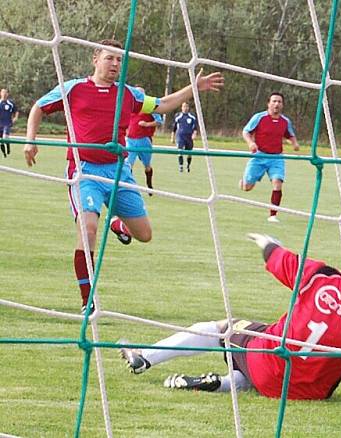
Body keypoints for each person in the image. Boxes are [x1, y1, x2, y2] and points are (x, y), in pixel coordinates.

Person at [119, 233, 341, 412]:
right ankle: (223, 383)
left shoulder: (321, 277)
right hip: (305, 393)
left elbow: (278, 258)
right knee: (262, 363)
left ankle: (144, 357)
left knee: (222, 327)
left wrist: (265, 241)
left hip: (268, 363)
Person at [23, 39, 224, 312]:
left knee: (144, 234)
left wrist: (194, 89)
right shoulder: (74, 89)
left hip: (119, 172)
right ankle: (88, 300)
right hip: (84, 172)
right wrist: (30, 140)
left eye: (119, 60)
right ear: (95, 58)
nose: (115, 64)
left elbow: (163, 104)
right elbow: (38, 107)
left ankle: (117, 225)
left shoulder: (129, 95)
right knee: (88, 228)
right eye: (110, 58)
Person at [240, 92, 300, 223]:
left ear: (282, 105)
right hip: (259, 156)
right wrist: (251, 143)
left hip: (276, 158)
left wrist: (294, 143)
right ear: (268, 103)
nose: (276, 104)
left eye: (279, 102)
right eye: (274, 101)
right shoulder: (259, 117)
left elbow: (290, 135)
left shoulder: (285, 121)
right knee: (247, 187)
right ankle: (244, 180)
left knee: (277, 183)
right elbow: (246, 131)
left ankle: (273, 215)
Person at [125, 87, 164, 195]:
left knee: (147, 165)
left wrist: (147, 124)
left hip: (144, 140)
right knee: (128, 164)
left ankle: (149, 185)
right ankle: (129, 188)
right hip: (131, 140)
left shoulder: (150, 107)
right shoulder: (130, 106)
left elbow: (160, 121)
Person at [171, 102, 198, 173]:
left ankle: (188, 165)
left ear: (188, 108)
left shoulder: (192, 116)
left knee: (189, 153)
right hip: (180, 136)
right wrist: (172, 137)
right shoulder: (178, 116)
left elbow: (195, 128)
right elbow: (174, 128)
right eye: (184, 106)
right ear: (181, 107)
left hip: (189, 137)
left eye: (186, 107)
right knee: (180, 151)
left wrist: (194, 134)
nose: (185, 108)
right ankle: (181, 166)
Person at [0, 88, 19, 158]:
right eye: (3, 92)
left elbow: (16, 111)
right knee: (1, 140)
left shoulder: (10, 103)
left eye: (5, 92)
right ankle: (4, 153)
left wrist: (15, 118)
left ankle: (8, 148)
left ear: (7, 94)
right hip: (0, 124)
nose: (4, 94)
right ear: (0, 93)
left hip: (7, 123)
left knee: (5, 137)